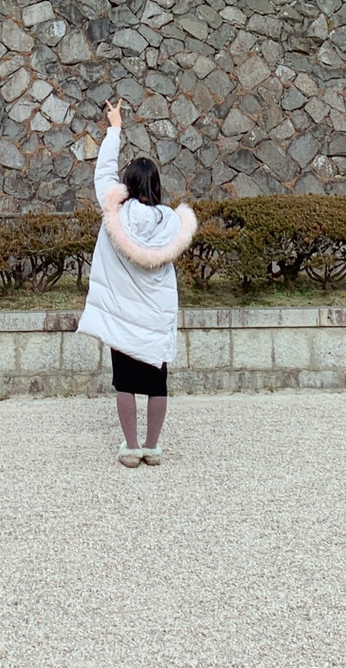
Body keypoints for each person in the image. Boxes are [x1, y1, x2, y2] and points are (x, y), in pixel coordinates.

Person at [75, 98, 197, 467]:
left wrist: (115, 127)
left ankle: (130, 447)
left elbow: (102, 175)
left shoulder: (116, 212)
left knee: (124, 382)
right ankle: (153, 447)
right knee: (157, 383)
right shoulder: (171, 223)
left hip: (121, 313)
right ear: (157, 185)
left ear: (127, 184)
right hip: (154, 316)